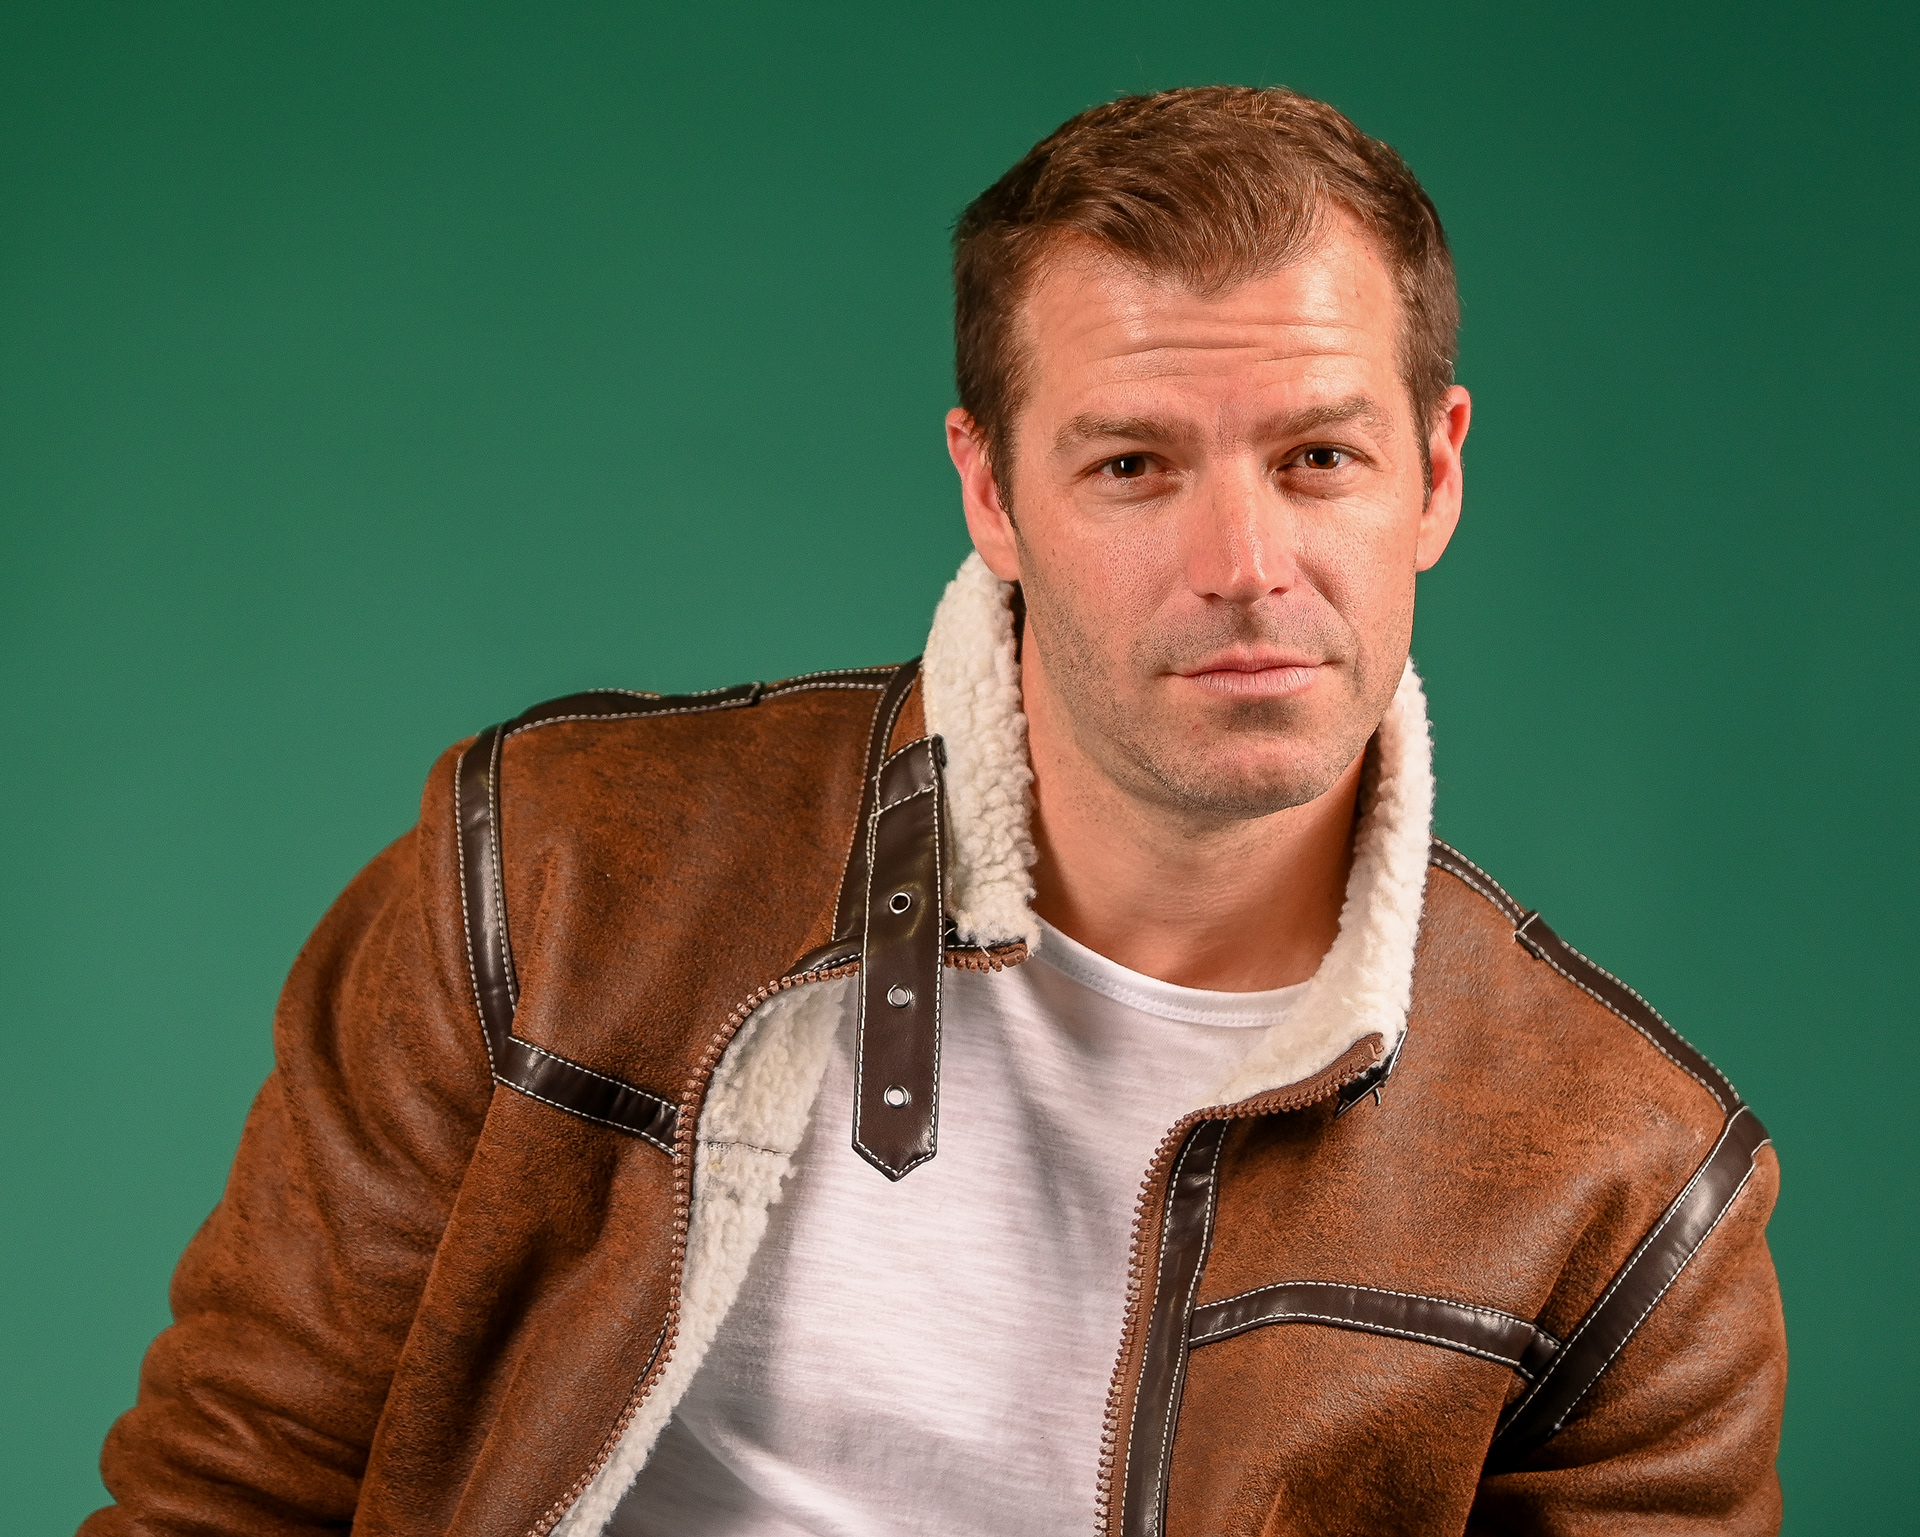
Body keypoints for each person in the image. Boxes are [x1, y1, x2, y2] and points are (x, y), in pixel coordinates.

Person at [85, 86, 1785, 1537]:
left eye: (1318, 458)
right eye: (1133, 465)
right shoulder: (546, 876)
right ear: (991, 489)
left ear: (1439, 470)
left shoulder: (1629, 1195)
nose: (1245, 564)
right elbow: (226, 1493)